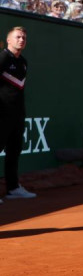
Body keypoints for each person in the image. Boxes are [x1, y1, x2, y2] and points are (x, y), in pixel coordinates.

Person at [0, 27, 36, 200]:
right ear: (9, 40)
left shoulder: (23, 62)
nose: (21, 40)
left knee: (14, 151)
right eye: (17, 37)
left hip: (17, 114)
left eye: (23, 38)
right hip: (2, 113)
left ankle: (13, 188)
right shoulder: (2, 58)